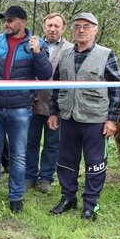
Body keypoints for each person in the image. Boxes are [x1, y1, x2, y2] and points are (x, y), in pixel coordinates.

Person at [0, 5, 52, 213]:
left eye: (10, 20)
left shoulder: (36, 44)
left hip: (20, 108)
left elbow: (46, 73)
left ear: (22, 22)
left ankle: (16, 197)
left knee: (19, 154)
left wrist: (38, 53)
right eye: (4, 20)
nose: (6, 23)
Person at [49, 12, 120, 220]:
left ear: (95, 30)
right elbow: (57, 86)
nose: (81, 30)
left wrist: (112, 119)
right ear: (72, 30)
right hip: (69, 117)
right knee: (66, 161)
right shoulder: (65, 55)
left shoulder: (106, 54)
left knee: (95, 163)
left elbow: (116, 89)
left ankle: (91, 204)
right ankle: (68, 198)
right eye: (78, 26)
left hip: (95, 119)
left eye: (87, 26)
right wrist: (54, 112)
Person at [25, 13, 72, 193]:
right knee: (31, 141)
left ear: (63, 28)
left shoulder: (69, 48)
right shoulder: (33, 44)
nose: (52, 29)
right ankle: (29, 176)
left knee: (53, 143)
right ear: (44, 26)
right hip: (34, 102)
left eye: (56, 26)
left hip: (56, 105)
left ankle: (46, 178)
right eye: (49, 25)